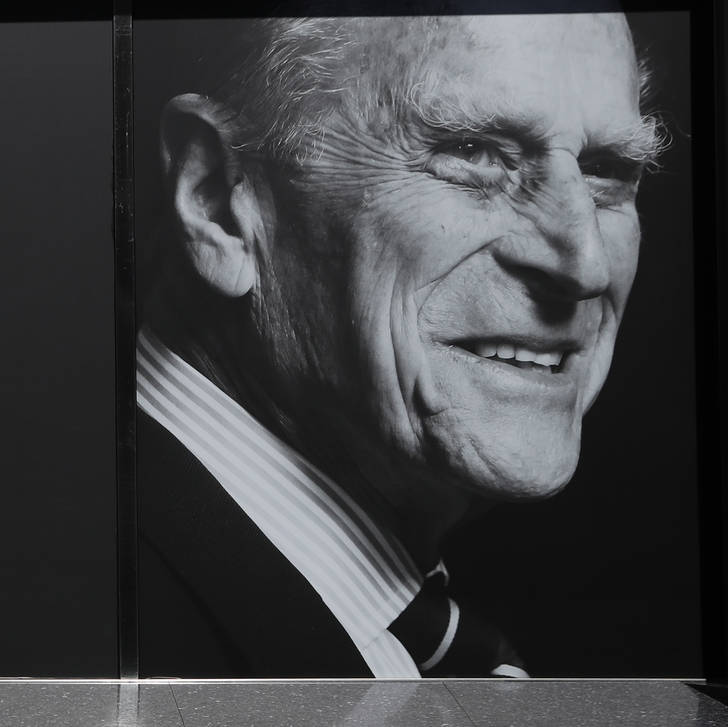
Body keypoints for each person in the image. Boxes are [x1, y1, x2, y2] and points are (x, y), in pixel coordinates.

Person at [136, 12, 665, 678]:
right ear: (216, 203)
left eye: (607, 171)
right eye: (474, 155)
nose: (585, 263)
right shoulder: (83, 621)